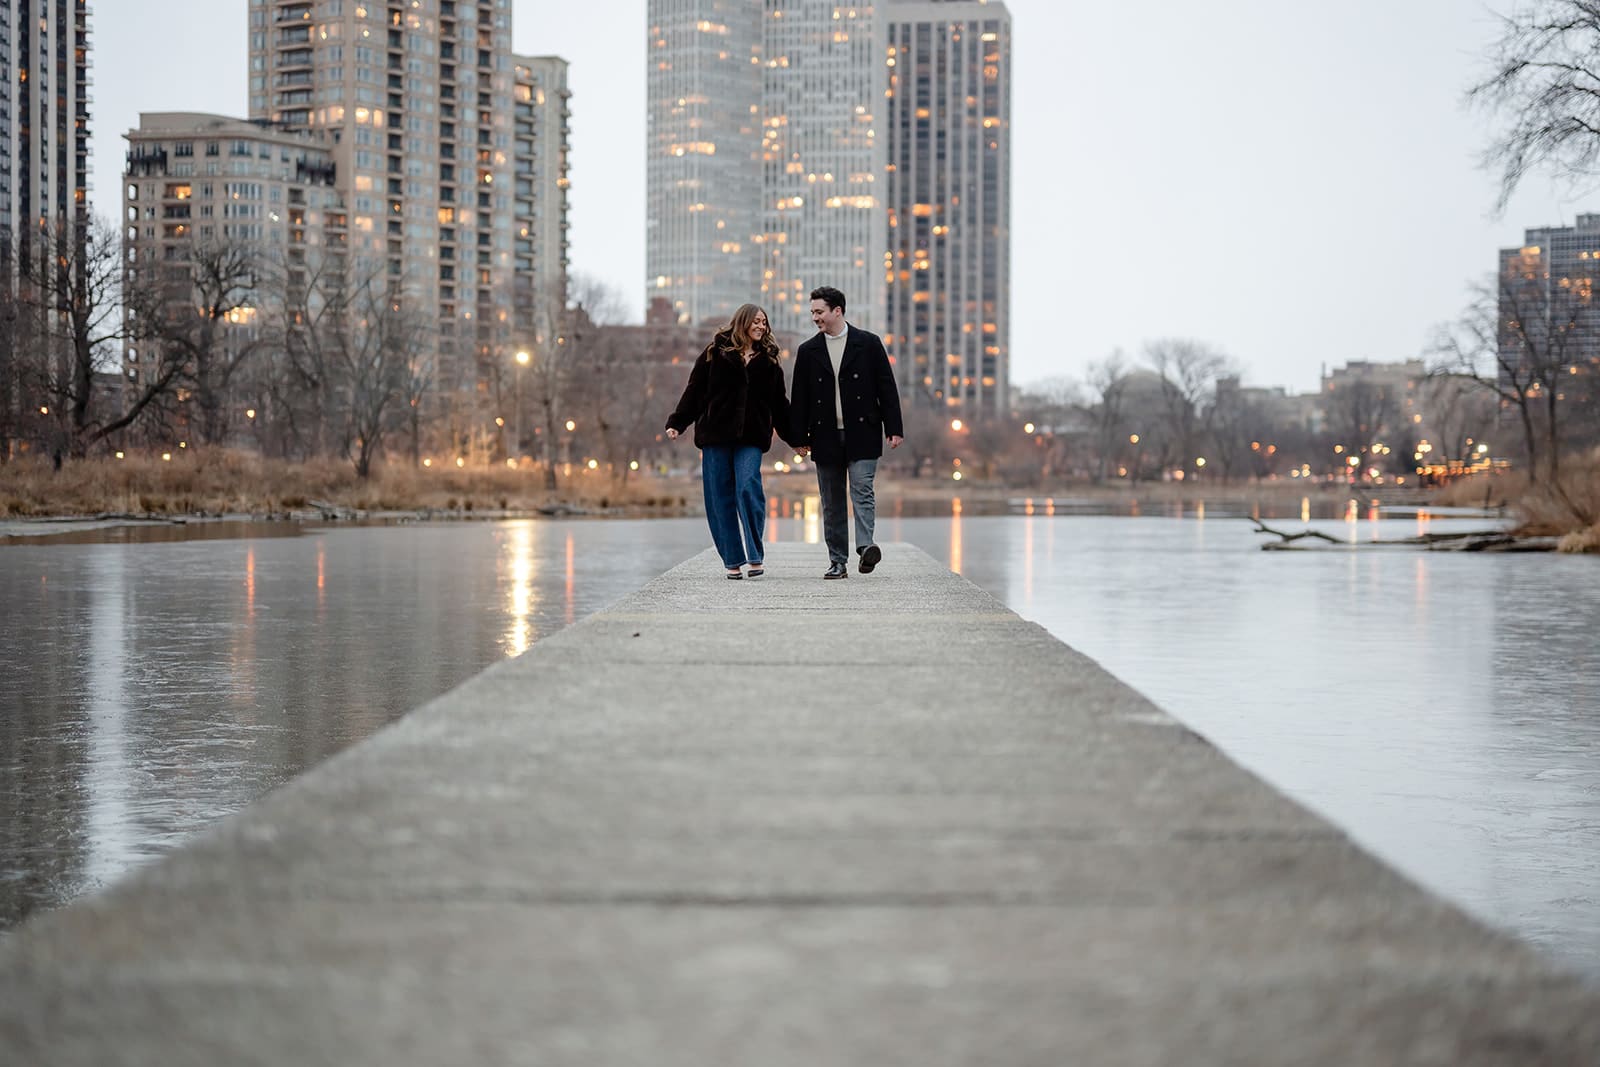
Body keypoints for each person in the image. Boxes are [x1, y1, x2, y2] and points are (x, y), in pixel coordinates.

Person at [665, 303, 802, 579]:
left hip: (751, 436)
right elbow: (695, 391)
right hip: (715, 434)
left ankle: (754, 554)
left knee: (748, 485)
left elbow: (779, 405)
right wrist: (678, 422)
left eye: (764, 322)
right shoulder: (714, 353)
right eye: (756, 321)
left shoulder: (770, 361)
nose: (761, 326)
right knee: (719, 496)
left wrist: (795, 439)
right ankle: (732, 559)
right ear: (743, 322)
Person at [788, 285, 903, 579]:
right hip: (824, 436)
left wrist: (894, 428)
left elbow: (886, 388)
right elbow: (799, 399)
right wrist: (798, 438)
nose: (815, 317)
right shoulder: (808, 350)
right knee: (832, 501)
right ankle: (837, 561)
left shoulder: (869, 344)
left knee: (862, 491)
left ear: (837, 311)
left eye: (819, 311)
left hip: (863, 431)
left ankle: (866, 548)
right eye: (812, 312)